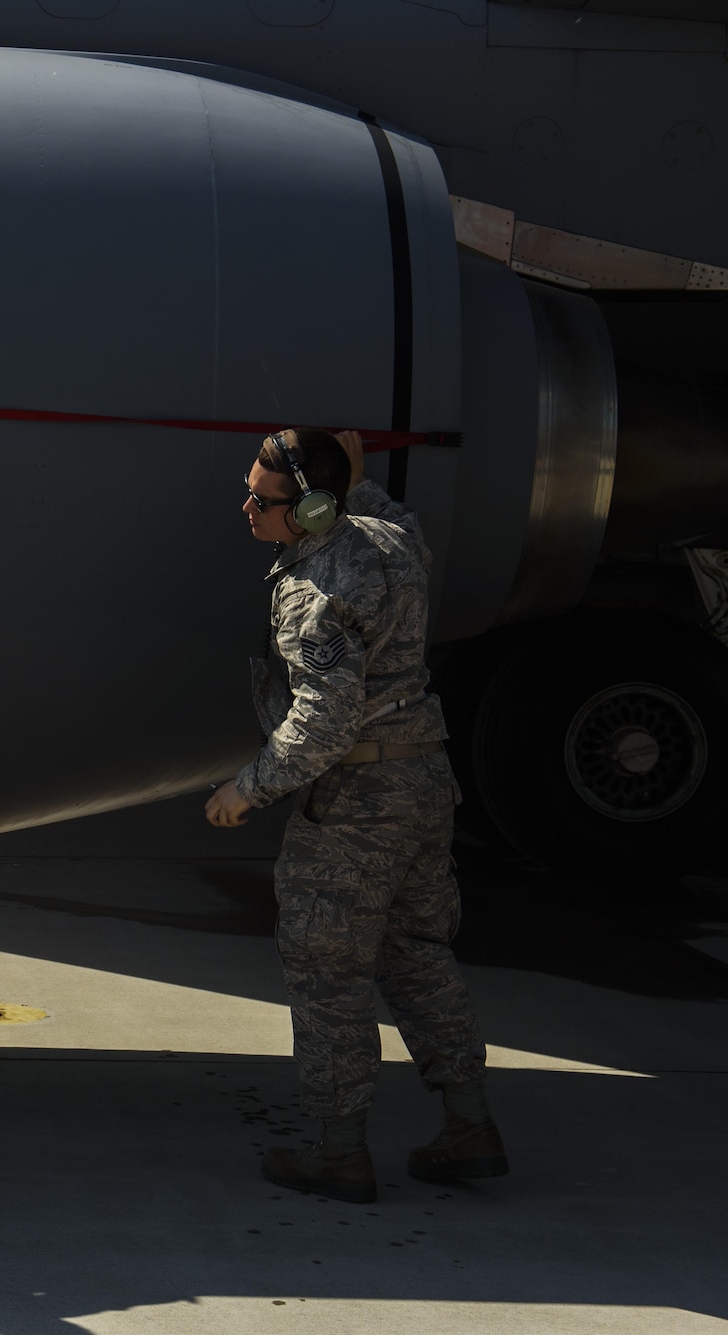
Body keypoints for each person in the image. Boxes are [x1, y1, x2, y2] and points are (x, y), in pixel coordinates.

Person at [204, 428, 507, 1204]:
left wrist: (251, 786)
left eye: (263, 500)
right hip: (424, 785)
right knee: (415, 951)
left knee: (326, 966)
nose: (247, 507)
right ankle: (469, 1122)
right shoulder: (387, 538)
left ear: (309, 506)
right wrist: (359, 479)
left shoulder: (314, 592)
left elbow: (325, 720)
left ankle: (339, 1150)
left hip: (357, 804)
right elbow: (391, 514)